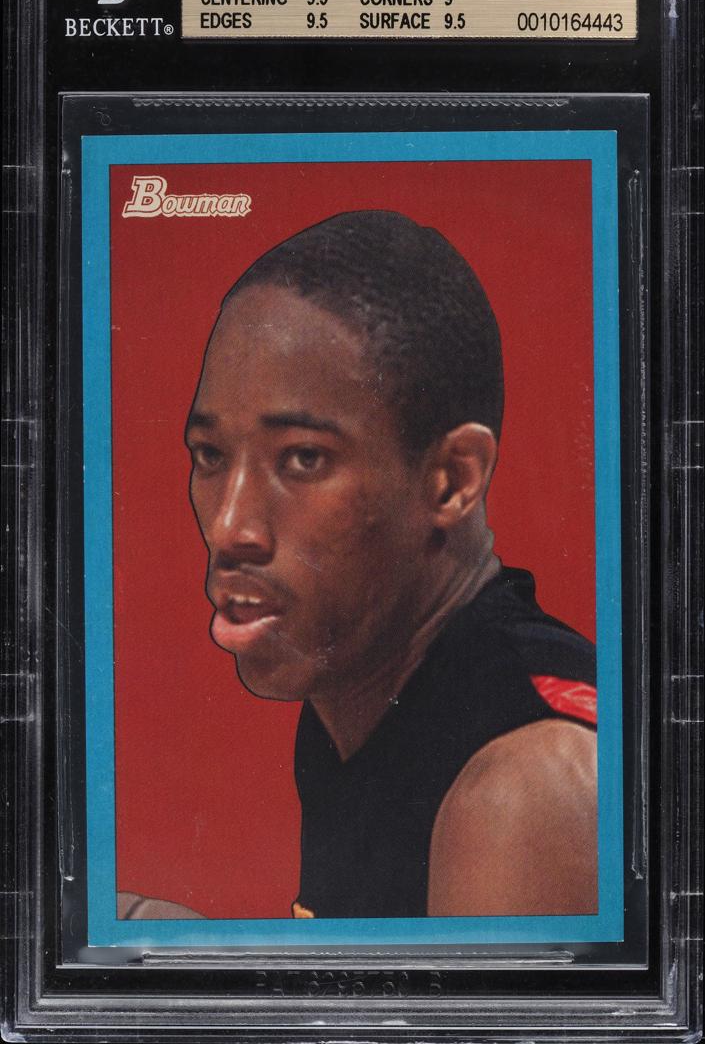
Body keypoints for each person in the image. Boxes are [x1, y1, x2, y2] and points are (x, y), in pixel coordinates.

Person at [120, 210, 597, 920]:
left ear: (452, 480)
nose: (229, 528)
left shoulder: (526, 786)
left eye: (303, 459)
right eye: (211, 456)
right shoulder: (360, 680)